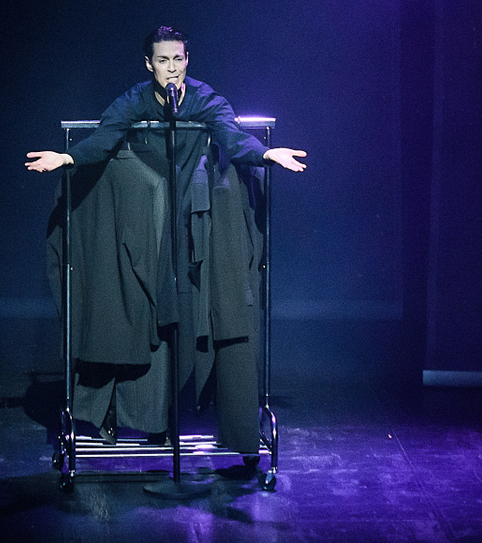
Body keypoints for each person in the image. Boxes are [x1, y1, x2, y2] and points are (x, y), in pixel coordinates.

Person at [26, 26, 307, 464]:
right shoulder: (135, 99)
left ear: (187, 60)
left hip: (194, 210)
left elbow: (231, 135)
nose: (172, 69)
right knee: (144, 309)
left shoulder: (205, 98)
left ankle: (225, 423)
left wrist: (266, 154)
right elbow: (105, 136)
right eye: (163, 61)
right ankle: (131, 412)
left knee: (203, 308)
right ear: (149, 64)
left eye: (178, 60)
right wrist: (68, 157)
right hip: (151, 211)